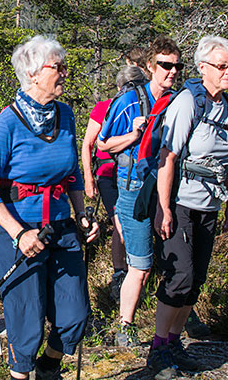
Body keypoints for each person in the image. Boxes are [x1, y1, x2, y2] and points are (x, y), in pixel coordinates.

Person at [0, 35, 100, 380]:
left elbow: (72, 172)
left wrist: (82, 215)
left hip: (60, 226)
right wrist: (19, 234)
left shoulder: (65, 114)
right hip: (17, 230)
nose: (64, 73)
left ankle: (48, 366)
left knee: (75, 314)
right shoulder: (8, 123)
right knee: (26, 319)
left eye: (64, 66)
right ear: (32, 74)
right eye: (57, 67)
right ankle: (21, 372)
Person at [146, 36, 228, 380]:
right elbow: (167, 157)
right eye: (222, 66)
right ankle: (157, 351)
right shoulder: (188, 102)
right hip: (181, 203)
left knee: (196, 279)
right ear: (203, 68)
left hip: (210, 205)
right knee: (179, 276)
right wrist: (165, 209)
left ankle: (173, 344)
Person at [96, 36, 183, 347]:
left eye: (176, 66)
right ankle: (125, 326)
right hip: (133, 187)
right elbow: (102, 144)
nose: (171, 72)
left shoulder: (178, 101)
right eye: (165, 65)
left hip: (167, 188)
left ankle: (176, 323)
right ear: (150, 66)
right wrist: (133, 135)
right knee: (141, 266)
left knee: (176, 263)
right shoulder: (128, 101)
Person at [81, 65, 146, 302]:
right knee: (119, 225)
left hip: (138, 174)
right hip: (109, 174)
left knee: (134, 223)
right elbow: (89, 144)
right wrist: (89, 178)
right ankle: (120, 275)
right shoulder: (105, 108)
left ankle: (136, 273)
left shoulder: (148, 107)